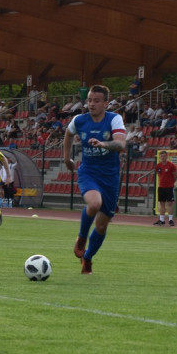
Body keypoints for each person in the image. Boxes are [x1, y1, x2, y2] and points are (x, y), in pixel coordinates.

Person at [63, 84, 127, 275]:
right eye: (89, 100)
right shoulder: (79, 120)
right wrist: (66, 158)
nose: (91, 104)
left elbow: (121, 144)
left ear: (106, 103)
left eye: (96, 100)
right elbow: (68, 135)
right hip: (88, 171)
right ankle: (81, 238)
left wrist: (103, 144)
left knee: (101, 224)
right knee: (94, 203)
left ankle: (88, 258)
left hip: (110, 177)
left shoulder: (114, 119)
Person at [153, 150, 177, 226]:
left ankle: (170, 220)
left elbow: (175, 176)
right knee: (162, 203)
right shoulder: (158, 166)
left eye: (164, 156)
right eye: (161, 156)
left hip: (169, 187)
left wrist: (171, 183)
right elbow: (158, 174)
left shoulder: (171, 165)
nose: (162, 157)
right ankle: (162, 220)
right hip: (161, 187)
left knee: (170, 203)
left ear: (166, 156)